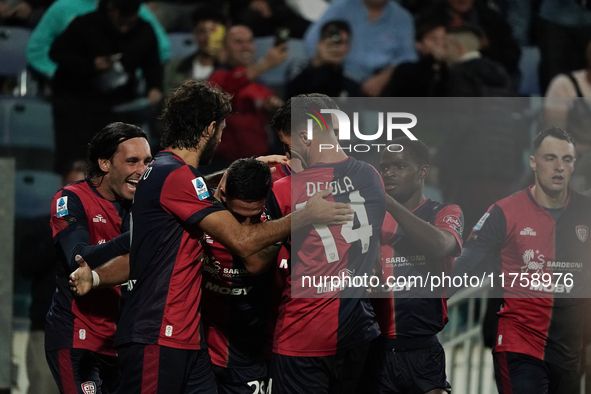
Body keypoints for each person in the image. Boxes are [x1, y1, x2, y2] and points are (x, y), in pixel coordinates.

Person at [67, 80, 352, 394]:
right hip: (159, 332)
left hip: (187, 340)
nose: (221, 137)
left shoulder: (163, 170)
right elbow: (243, 241)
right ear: (210, 128)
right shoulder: (174, 175)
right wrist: (305, 216)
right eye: (222, 129)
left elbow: (150, 249)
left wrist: (239, 169)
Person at [449, 128, 591, 394]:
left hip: (569, 352)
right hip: (518, 345)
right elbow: (464, 264)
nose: (559, 167)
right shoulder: (504, 211)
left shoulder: (586, 212)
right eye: (550, 158)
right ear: (534, 162)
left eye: (567, 160)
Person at [265, 94, 386, 393]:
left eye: (288, 146)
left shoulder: (283, 188)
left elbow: (256, 259)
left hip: (302, 333)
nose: (287, 157)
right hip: (358, 329)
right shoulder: (372, 177)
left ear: (305, 135)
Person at [46, 123, 152, 394]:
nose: (142, 170)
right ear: (105, 163)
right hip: (79, 338)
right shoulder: (71, 199)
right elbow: (77, 257)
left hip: (126, 342)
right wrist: (130, 241)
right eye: (132, 161)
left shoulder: (143, 205)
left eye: (146, 162)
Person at [364, 137, 463, 394]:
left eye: (399, 166)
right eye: (384, 168)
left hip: (424, 352)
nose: (389, 173)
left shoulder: (444, 212)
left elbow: (441, 246)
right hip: (375, 352)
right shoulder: (367, 220)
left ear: (423, 171)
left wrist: (390, 204)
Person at [49, 0, 164, 174]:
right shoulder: (85, 24)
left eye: (129, 23)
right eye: (120, 22)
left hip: (117, 106)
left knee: (115, 165)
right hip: (75, 104)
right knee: (77, 164)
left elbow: (153, 64)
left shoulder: (143, 30)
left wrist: (154, 87)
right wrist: (91, 65)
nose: (124, 28)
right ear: (111, 11)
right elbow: (57, 52)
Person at [201, 157, 278, 394]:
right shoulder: (202, 213)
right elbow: (180, 188)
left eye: (254, 218)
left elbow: (254, 262)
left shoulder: (277, 218)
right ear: (223, 195)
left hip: (252, 356)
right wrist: (226, 173)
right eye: (237, 216)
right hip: (201, 355)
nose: (245, 228)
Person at [18, 161, 85, 394]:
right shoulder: (40, 226)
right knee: (44, 387)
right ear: (61, 188)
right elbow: (26, 268)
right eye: (71, 187)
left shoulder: (101, 228)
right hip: (46, 327)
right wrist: (60, 231)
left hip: (88, 330)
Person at [26, 0, 169, 81]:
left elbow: (163, 48)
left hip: (122, 94)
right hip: (73, 91)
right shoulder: (62, 7)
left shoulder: (134, 9)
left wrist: (127, 74)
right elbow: (36, 49)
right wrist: (59, 73)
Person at [208, 24, 287, 167]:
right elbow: (227, 88)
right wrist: (265, 64)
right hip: (224, 165)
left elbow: (270, 104)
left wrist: (274, 105)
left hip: (259, 164)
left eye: (249, 41)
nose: (246, 47)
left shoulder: (260, 84)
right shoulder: (217, 77)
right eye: (238, 42)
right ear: (225, 49)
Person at [303, 0, 417, 97]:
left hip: (378, 84)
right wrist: (330, 59)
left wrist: (385, 76)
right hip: (339, 75)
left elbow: (409, 56)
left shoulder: (402, 18)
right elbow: (311, 41)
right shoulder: (341, 7)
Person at [285, 20, 360, 99]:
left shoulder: (351, 77)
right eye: (335, 42)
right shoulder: (298, 66)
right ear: (320, 43)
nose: (339, 48)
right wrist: (317, 63)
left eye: (344, 42)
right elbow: (291, 96)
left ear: (348, 47)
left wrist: (335, 69)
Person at [164, 7, 226, 94]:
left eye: (213, 32)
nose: (208, 38)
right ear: (194, 34)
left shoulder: (231, 72)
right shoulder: (176, 67)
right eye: (202, 31)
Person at [382, 19, 447, 97]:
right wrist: (431, 59)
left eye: (443, 38)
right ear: (418, 44)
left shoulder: (449, 70)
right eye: (433, 39)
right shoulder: (405, 70)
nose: (440, 43)